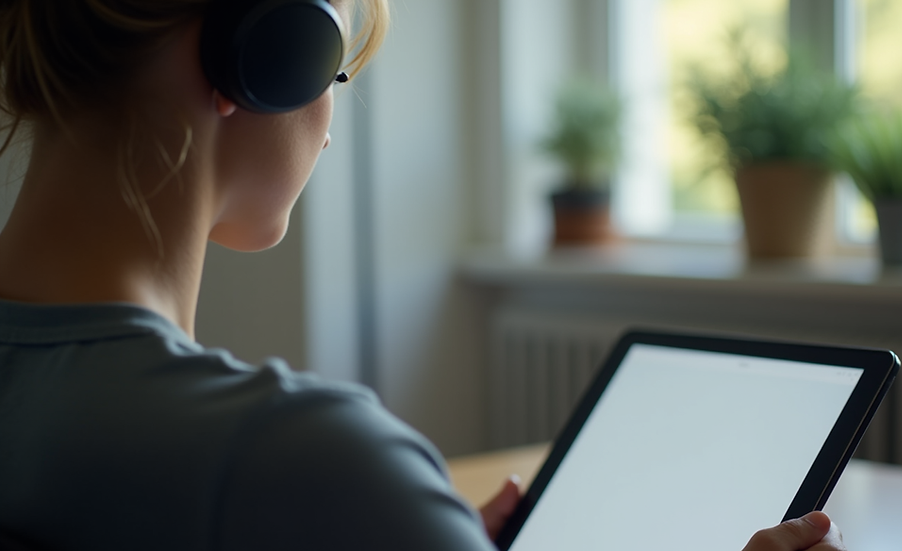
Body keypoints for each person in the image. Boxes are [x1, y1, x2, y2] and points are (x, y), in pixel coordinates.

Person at [0, 1, 848, 550]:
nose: (330, 125)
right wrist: (380, 512)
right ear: (257, 55)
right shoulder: (306, 460)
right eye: (335, 68)